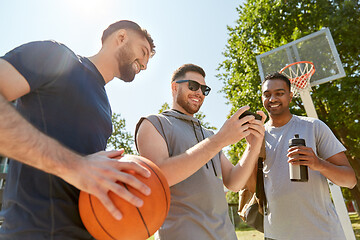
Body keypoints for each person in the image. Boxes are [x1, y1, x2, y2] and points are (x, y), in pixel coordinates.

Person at [0, 20, 156, 239]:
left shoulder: (104, 108)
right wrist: (75, 165)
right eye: (144, 51)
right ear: (121, 38)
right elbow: (81, 168)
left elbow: (90, 177)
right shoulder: (56, 56)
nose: (146, 65)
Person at [135, 63, 266, 240]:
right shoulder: (153, 124)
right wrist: (220, 140)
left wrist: (253, 146)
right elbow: (160, 177)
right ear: (174, 87)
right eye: (193, 86)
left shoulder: (208, 135)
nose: (199, 92)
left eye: (204, 89)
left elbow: (234, 183)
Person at [261, 72, 357, 240]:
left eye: (279, 93)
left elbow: (350, 180)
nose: (272, 99)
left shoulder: (314, 127)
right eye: (267, 94)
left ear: (290, 96)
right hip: (276, 234)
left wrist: (318, 164)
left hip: (321, 233)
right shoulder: (257, 136)